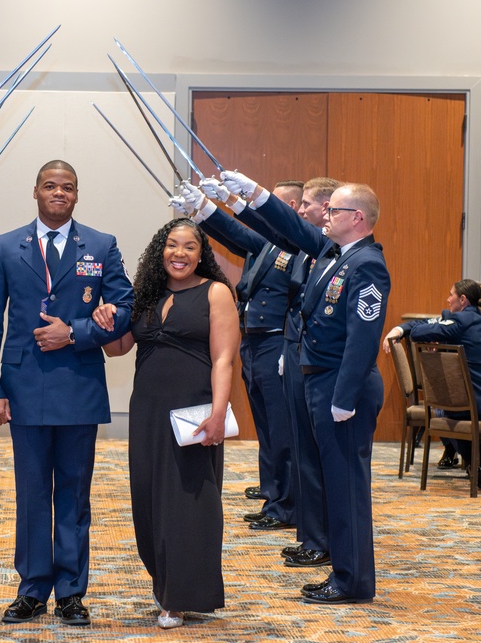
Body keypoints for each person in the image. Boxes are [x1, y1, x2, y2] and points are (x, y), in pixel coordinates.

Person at [0, 160, 134, 626]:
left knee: (74, 494)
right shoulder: (6, 246)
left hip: (79, 386)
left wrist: (77, 332)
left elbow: (125, 309)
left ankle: (71, 591)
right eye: (50, 186)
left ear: (77, 195)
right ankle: (31, 588)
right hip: (22, 389)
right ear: (36, 192)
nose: (58, 193)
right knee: (32, 493)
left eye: (67, 187)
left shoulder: (101, 245)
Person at [225, 171, 389, 605]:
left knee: (347, 488)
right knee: (334, 484)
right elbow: (291, 227)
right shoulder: (333, 252)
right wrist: (253, 195)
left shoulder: (367, 264)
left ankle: (352, 582)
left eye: (333, 210)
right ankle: (343, 572)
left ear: (356, 217)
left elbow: (363, 338)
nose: (325, 217)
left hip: (340, 387)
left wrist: (344, 397)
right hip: (320, 380)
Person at [91, 218, 238, 629]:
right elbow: (120, 348)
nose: (179, 253)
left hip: (193, 413)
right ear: (161, 252)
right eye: (172, 245)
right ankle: (165, 585)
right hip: (148, 411)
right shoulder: (147, 295)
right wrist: (103, 320)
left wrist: (217, 413)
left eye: (189, 247)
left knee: (190, 503)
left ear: (200, 254)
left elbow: (224, 359)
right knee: (150, 500)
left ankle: (181, 597)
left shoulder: (216, 293)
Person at [193, 176, 341, 569]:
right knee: (268, 426)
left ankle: (287, 504)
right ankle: (277, 496)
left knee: (286, 432)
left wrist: (242, 198)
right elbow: (238, 234)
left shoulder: (308, 244)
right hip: (261, 340)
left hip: (284, 344)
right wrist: (208, 208)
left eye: (305, 204)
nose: (305, 210)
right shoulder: (276, 244)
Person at [384, 279, 481, 488]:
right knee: (462, 406)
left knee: (445, 410)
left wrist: (402, 330)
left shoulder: (458, 322)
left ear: (462, 300)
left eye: (451, 295)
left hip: (474, 408)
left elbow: (420, 331)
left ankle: (474, 466)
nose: (447, 300)